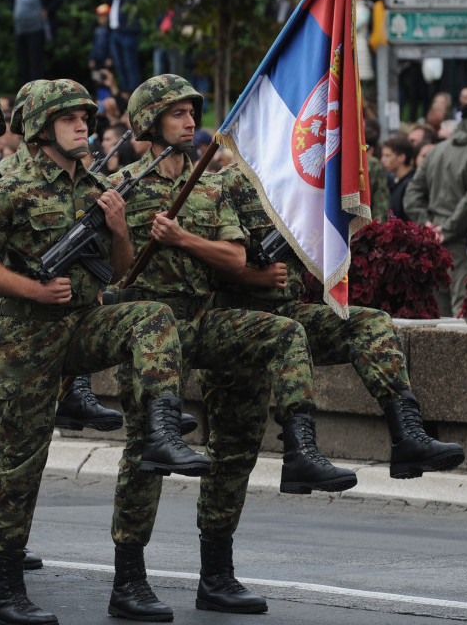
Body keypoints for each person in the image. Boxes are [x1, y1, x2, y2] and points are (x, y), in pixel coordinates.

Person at [0, 79, 210, 625]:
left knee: (152, 315)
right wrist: (33, 289)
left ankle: (162, 429)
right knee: (21, 461)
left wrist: (118, 228)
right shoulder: (11, 185)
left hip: (83, 324)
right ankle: (5, 589)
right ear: (43, 129)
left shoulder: (95, 185)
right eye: (70, 119)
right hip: (25, 334)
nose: (82, 127)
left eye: (85, 119)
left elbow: (119, 271)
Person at [105, 75, 337, 621]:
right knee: (147, 449)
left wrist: (182, 238)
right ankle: (128, 581)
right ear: (148, 123)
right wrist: (121, 230)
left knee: (282, 337)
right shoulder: (120, 187)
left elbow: (237, 261)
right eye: (177, 113)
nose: (190, 121)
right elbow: (114, 274)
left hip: (203, 321)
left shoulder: (209, 187)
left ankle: (220, 570)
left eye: (192, 112)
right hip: (148, 332)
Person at [211, 162, 465, 480]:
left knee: (371, 323)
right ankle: (216, 530)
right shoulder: (224, 184)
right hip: (235, 320)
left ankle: (408, 436)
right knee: (231, 459)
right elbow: (196, 260)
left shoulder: (305, 183)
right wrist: (251, 275)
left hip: (285, 312)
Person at [404, 101, 467, 316]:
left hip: (435, 245)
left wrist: (428, 224)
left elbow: (412, 194)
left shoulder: (437, 151)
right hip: (464, 243)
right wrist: (447, 229)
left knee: (438, 313)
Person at [6, 0, 62, 86]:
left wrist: (47, 10)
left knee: (35, 61)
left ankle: (36, 89)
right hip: (20, 29)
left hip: (36, 28)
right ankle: (24, 91)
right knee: (22, 62)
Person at [99, 0, 147, 94]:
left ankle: (135, 94)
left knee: (130, 64)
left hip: (128, 32)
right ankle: (126, 92)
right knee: (120, 64)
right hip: (116, 31)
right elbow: (111, 1)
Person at [380, 135, 415, 221]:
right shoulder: (395, 181)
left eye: (387, 156)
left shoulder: (410, 184)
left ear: (401, 158)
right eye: (383, 155)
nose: (382, 160)